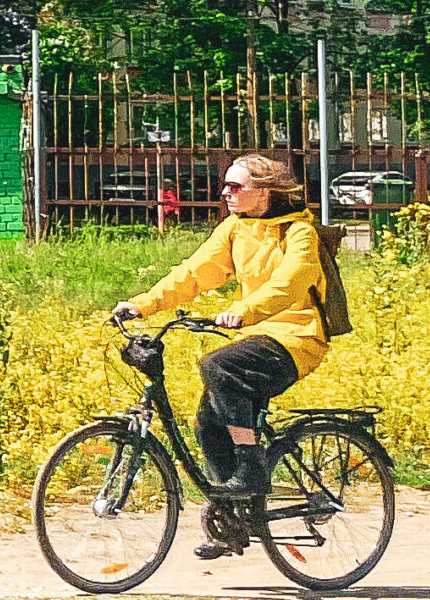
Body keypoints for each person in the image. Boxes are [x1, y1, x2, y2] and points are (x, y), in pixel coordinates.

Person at [113, 149, 334, 559]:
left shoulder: (299, 232)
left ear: (264, 192)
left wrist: (245, 310)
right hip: (258, 334)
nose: (225, 192)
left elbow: (291, 281)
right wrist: (143, 305)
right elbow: (194, 272)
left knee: (219, 365)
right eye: (226, 185)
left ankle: (250, 467)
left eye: (236, 186)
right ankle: (231, 520)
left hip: (297, 338)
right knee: (208, 423)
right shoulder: (235, 228)